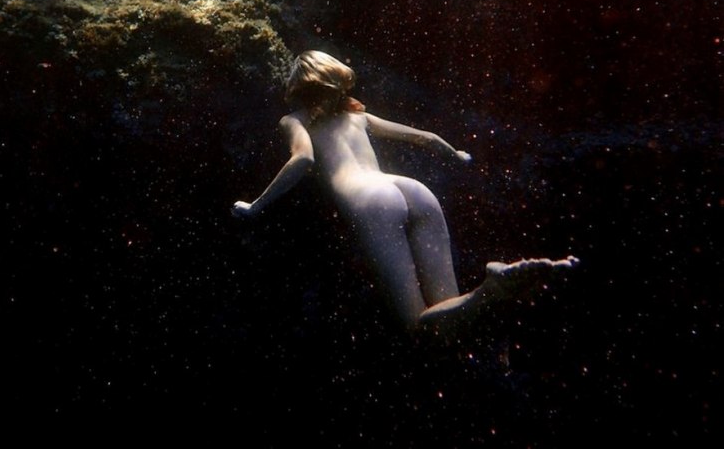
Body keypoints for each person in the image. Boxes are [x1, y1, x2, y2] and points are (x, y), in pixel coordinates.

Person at [233, 50, 576, 333]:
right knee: (448, 313)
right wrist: (456, 153)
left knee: (417, 327)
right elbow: (423, 137)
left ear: (298, 87)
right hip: (411, 189)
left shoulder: (294, 120)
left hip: (371, 202)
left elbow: (303, 158)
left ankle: (491, 291)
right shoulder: (360, 119)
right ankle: (493, 300)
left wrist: (256, 205)